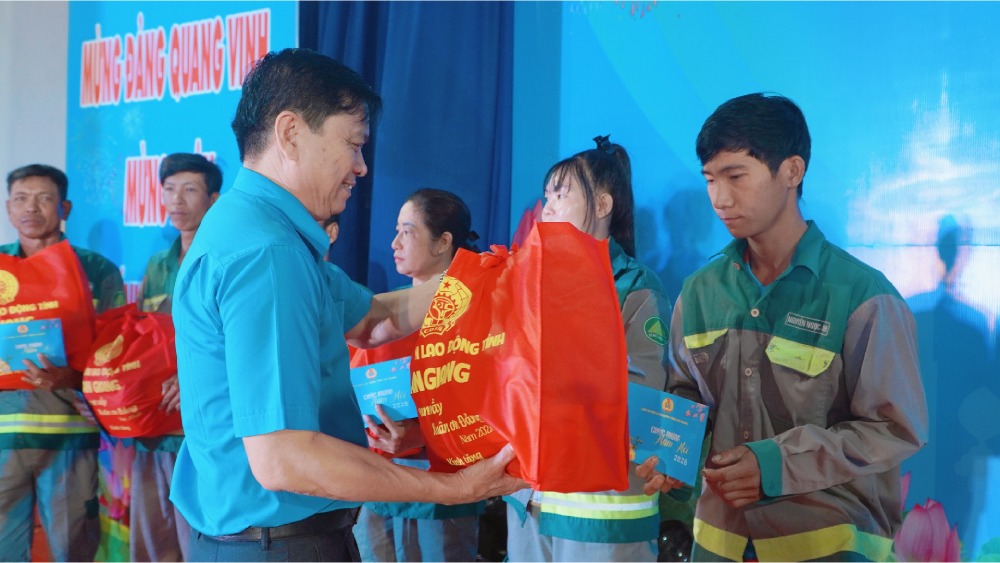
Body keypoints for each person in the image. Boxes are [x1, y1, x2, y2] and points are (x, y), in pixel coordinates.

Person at [169, 47, 524, 563]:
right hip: (279, 546)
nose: (361, 167)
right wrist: (457, 487)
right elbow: (284, 458)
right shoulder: (268, 255)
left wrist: (503, 281)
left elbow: (373, 322)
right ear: (290, 133)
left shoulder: (252, 229)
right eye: (353, 144)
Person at [667, 93, 928, 561]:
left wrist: (775, 464)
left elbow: (894, 428)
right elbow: (684, 393)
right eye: (709, 179)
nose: (719, 198)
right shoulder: (699, 291)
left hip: (827, 544)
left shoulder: (863, 296)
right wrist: (670, 454)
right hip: (716, 542)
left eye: (735, 176)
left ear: (792, 171)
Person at [503, 136, 673, 562]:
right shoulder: (524, 283)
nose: (549, 207)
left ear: (602, 205)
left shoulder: (636, 287)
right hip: (527, 502)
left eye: (562, 194)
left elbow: (643, 394)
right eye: (546, 197)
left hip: (602, 512)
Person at [0, 163, 125, 561]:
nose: (30, 208)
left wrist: (71, 376)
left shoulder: (97, 270)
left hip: (69, 436)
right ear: (7, 207)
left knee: (73, 549)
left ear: (65, 207)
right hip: (4, 438)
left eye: (44, 198)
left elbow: (117, 358)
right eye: (20, 198)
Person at [352, 188, 484, 562]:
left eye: (407, 231)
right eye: (395, 230)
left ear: (443, 242)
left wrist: (419, 436)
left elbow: (485, 408)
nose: (394, 242)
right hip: (378, 482)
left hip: (444, 486)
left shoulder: (475, 313)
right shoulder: (379, 315)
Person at [128, 152, 221, 562]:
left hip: (199, 427)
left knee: (196, 537)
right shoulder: (157, 264)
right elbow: (145, 339)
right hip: (152, 424)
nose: (177, 200)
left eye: (189, 190)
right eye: (169, 190)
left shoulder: (222, 258)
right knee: (151, 539)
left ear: (214, 199)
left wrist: (191, 380)